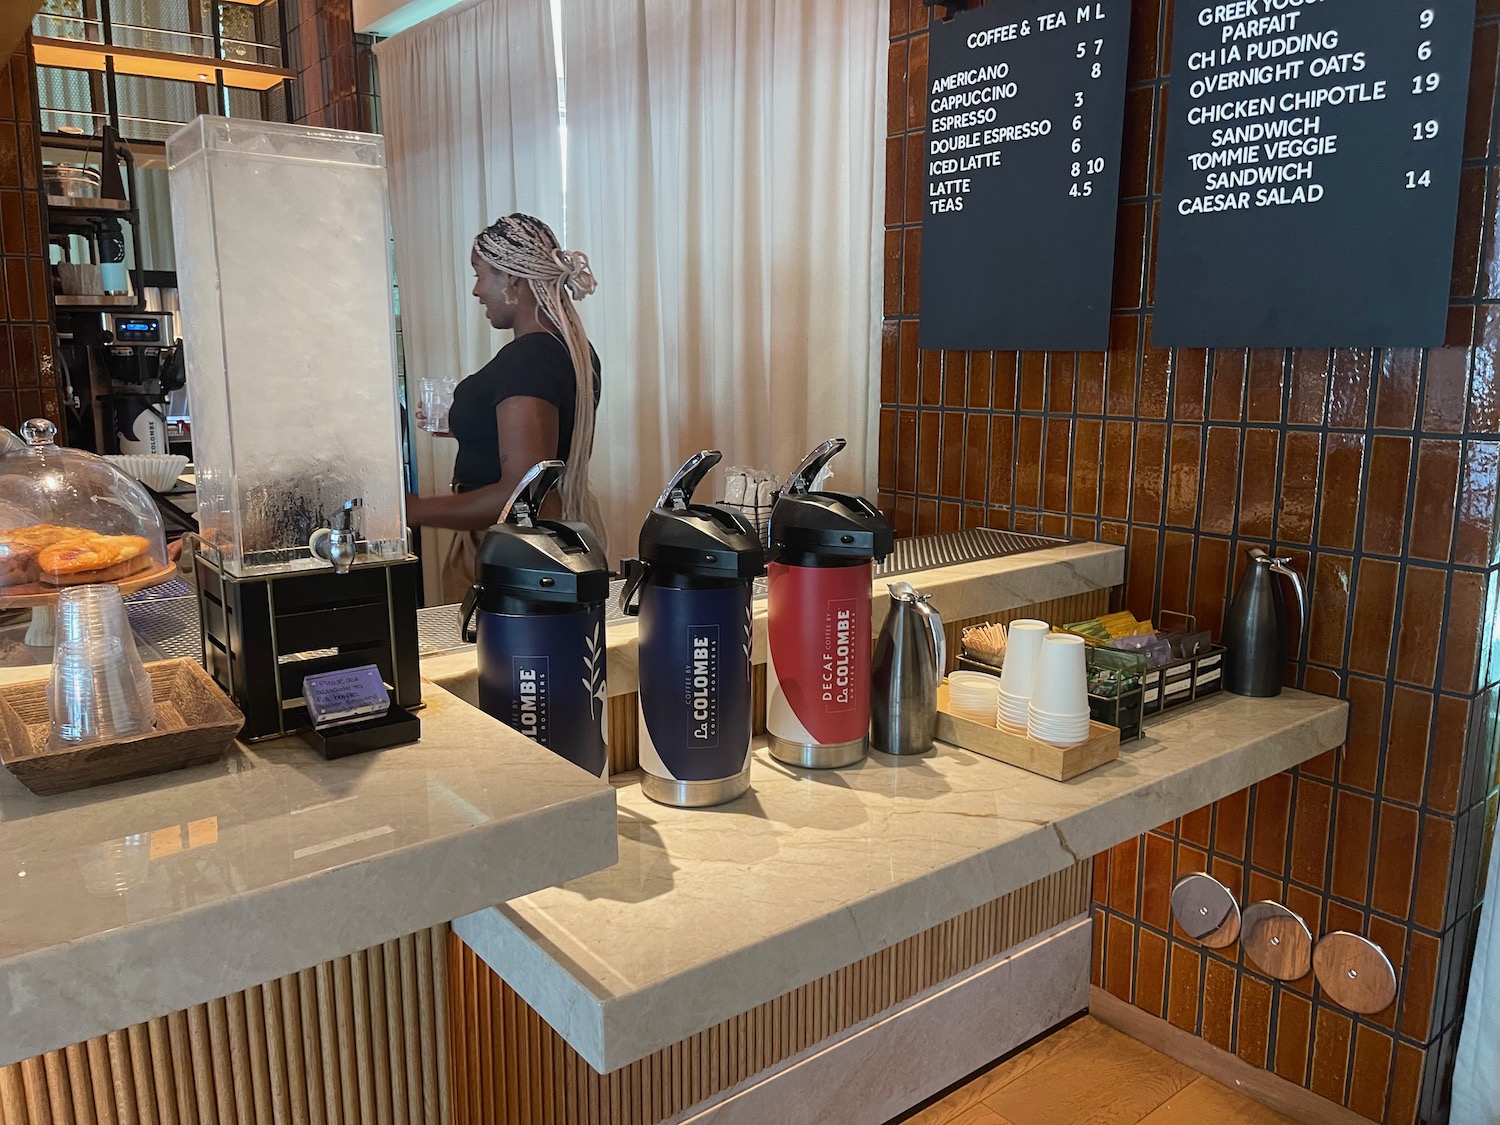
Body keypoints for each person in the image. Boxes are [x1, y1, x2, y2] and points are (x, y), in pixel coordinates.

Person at [406, 214, 604, 592]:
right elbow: (546, 448)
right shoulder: (570, 350)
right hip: (542, 544)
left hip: (507, 551)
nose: (477, 291)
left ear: (512, 278)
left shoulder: (528, 358)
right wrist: (473, 424)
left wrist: (412, 509)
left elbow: (519, 494)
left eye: (480, 275)